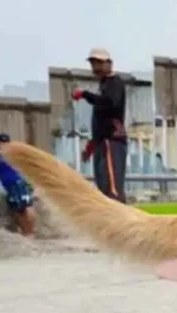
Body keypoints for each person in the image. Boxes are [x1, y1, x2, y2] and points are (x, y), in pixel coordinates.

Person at [72, 48, 127, 202]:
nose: (96, 66)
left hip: (112, 140)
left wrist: (85, 95)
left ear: (109, 64)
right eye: (93, 63)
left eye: (100, 62)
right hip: (103, 141)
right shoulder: (104, 85)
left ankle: (120, 223)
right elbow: (101, 118)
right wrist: (93, 143)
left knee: (112, 189)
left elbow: (111, 103)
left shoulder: (115, 83)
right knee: (103, 188)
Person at [0, 133, 36, 237]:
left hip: (16, 183)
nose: (2, 145)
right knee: (17, 210)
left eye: (4, 143)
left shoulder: (8, 154)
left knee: (25, 207)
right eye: (1, 143)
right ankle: (26, 232)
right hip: (12, 186)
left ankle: (30, 232)